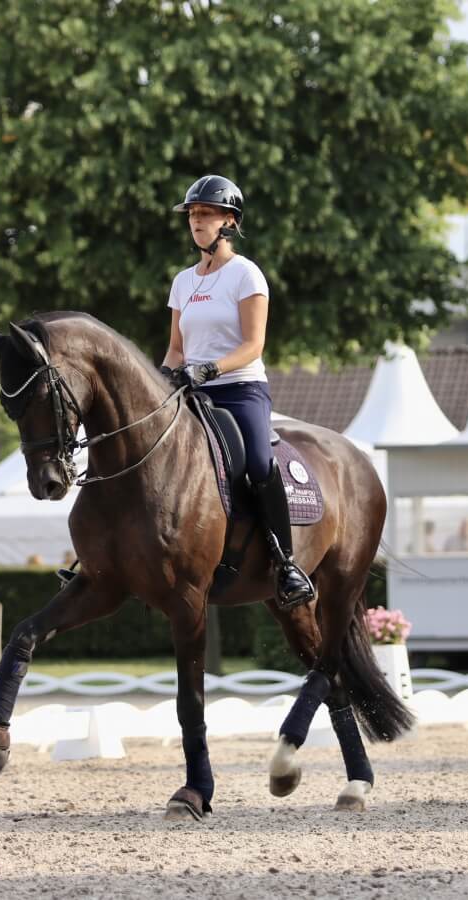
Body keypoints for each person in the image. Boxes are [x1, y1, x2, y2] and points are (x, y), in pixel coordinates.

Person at [161, 174, 315, 608]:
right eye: (192, 214)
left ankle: (286, 563)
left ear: (228, 221)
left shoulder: (246, 274)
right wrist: (162, 380)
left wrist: (207, 369)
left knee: (258, 462)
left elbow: (253, 345)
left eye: (205, 213)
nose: (196, 221)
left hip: (240, 388)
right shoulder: (182, 282)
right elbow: (176, 348)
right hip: (192, 391)